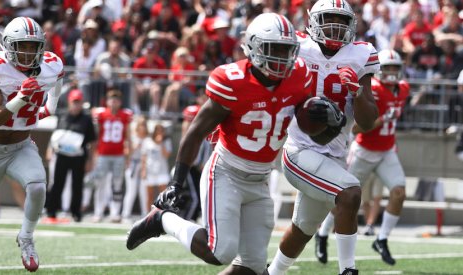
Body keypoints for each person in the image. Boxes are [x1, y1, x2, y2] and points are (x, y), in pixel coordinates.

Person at [125, 13, 342, 275]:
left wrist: (333, 125)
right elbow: (195, 133)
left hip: (260, 178)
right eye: (275, 49)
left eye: (287, 50)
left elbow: (316, 136)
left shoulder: (299, 77)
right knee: (221, 251)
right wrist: (176, 183)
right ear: (253, 47)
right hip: (226, 172)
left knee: (250, 268)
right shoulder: (232, 80)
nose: (282, 57)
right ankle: (163, 220)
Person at [266, 1, 380, 274]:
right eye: (329, 18)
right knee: (350, 193)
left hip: (335, 155)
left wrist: (357, 91)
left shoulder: (361, 54)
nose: (335, 25)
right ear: (313, 19)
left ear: (351, 25)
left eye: (341, 20)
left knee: (303, 229)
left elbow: (368, 121)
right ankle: (348, 270)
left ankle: (272, 273)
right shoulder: (298, 47)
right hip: (298, 149)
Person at [0, 17, 64, 272]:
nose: (27, 52)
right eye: (22, 45)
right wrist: (21, 98)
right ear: (8, 45)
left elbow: (58, 78)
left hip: (22, 146)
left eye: (32, 46)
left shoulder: (51, 63)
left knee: (37, 187)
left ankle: (26, 236)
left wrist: (50, 106)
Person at [317, 49, 409, 266]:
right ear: (379, 70)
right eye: (387, 68)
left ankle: (382, 239)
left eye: (395, 67)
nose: (392, 72)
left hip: (387, 151)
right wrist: (383, 119)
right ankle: (322, 233)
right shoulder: (374, 90)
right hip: (364, 152)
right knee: (343, 199)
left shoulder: (404, 88)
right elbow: (357, 128)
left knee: (399, 192)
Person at [45, 89, 97, 222]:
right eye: (74, 102)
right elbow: (55, 135)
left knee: (77, 185)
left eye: (78, 102)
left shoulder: (86, 119)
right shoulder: (62, 115)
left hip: (79, 157)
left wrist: (90, 160)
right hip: (61, 155)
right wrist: (49, 150)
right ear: (69, 102)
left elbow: (92, 141)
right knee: (57, 183)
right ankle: (52, 211)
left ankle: (76, 213)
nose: (76, 105)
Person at [90, 89, 133, 222]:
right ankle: (98, 211)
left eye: (116, 100)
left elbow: (128, 136)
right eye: (111, 99)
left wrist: (128, 156)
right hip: (103, 154)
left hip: (119, 154)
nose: (114, 102)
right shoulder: (101, 114)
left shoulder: (125, 115)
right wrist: (94, 155)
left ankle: (115, 213)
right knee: (100, 183)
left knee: (117, 184)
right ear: (107, 101)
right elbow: (96, 136)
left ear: (120, 102)